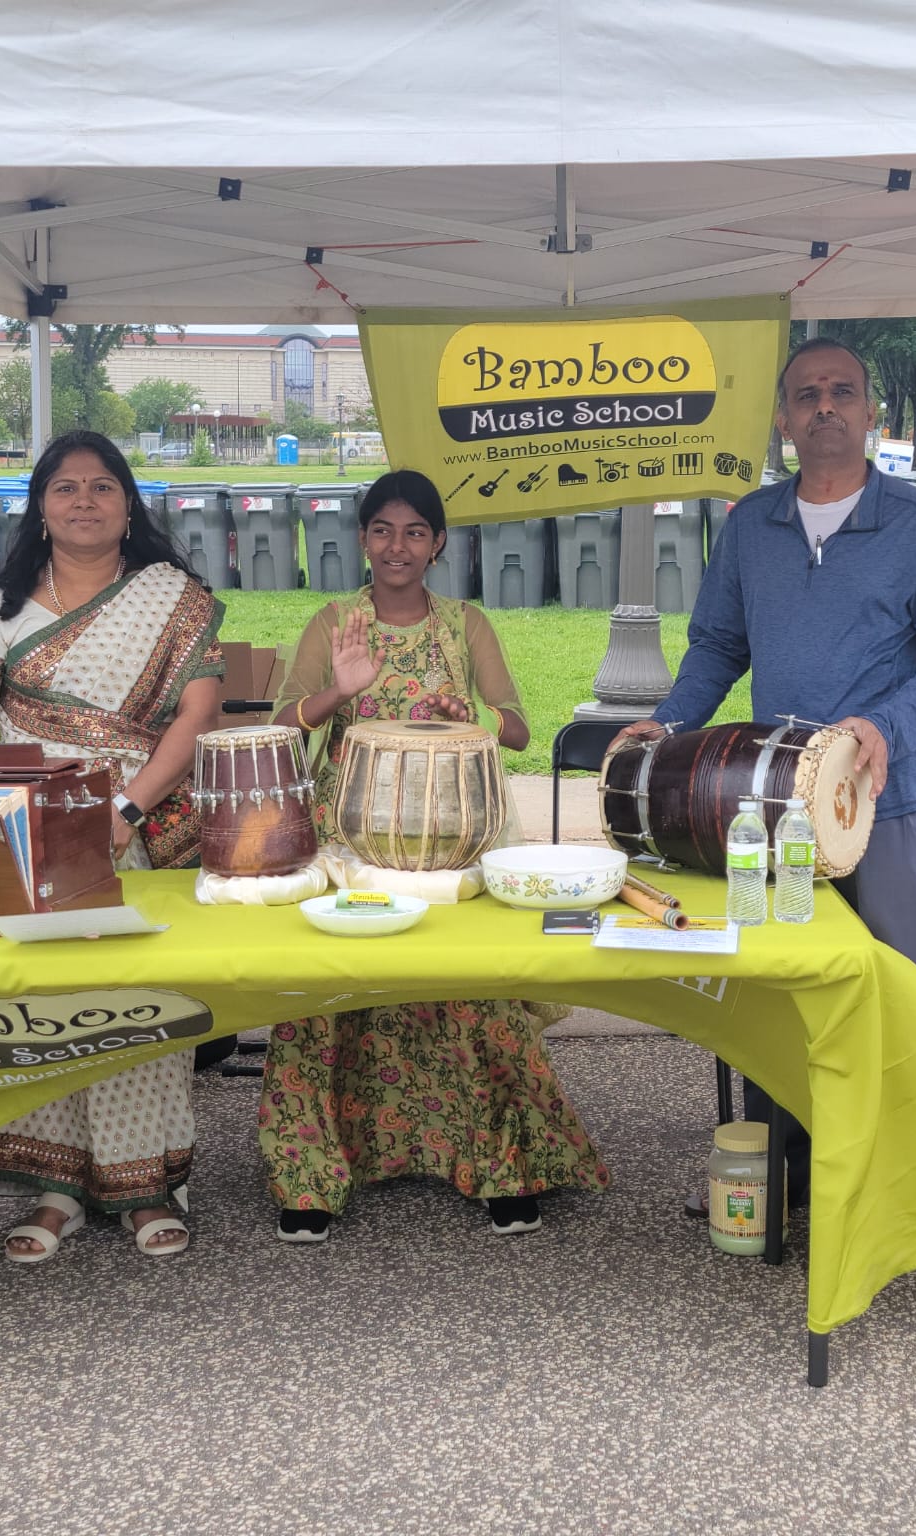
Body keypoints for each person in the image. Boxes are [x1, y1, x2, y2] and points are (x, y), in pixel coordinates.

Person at [617, 336, 916, 1161]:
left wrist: (884, 727)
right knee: (782, 996)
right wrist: (672, 722)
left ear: (870, 413)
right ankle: (785, 1172)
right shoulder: (752, 526)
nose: (827, 406)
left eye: (843, 392)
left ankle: (893, 1174)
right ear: (783, 419)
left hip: (885, 807)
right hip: (769, 809)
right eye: (808, 394)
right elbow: (717, 643)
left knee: (887, 995)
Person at [260, 469, 610, 1242]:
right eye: (382, 529)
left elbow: (517, 728)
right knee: (327, 994)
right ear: (361, 539)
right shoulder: (334, 623)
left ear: (439, 543)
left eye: (415, 531)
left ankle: (501, 1168)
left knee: (466, 991)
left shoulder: (464, 624)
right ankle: (311, 1180)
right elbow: (285, 726)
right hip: (350, 838)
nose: (398, 546)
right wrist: (337, 693)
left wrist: (471, 712)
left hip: (450, 839)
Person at [0, 429, 225, 1261]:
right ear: (41, 508)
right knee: (47, 1001)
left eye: (101, 487)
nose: (84, 500)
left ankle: (144, 1184)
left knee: (136, 999)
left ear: (129, 506)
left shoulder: (175, 599)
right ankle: (57, 1188)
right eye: (65, 487)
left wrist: (121, 810)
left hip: (140, 824)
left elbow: (197, 720)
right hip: (32, 827)